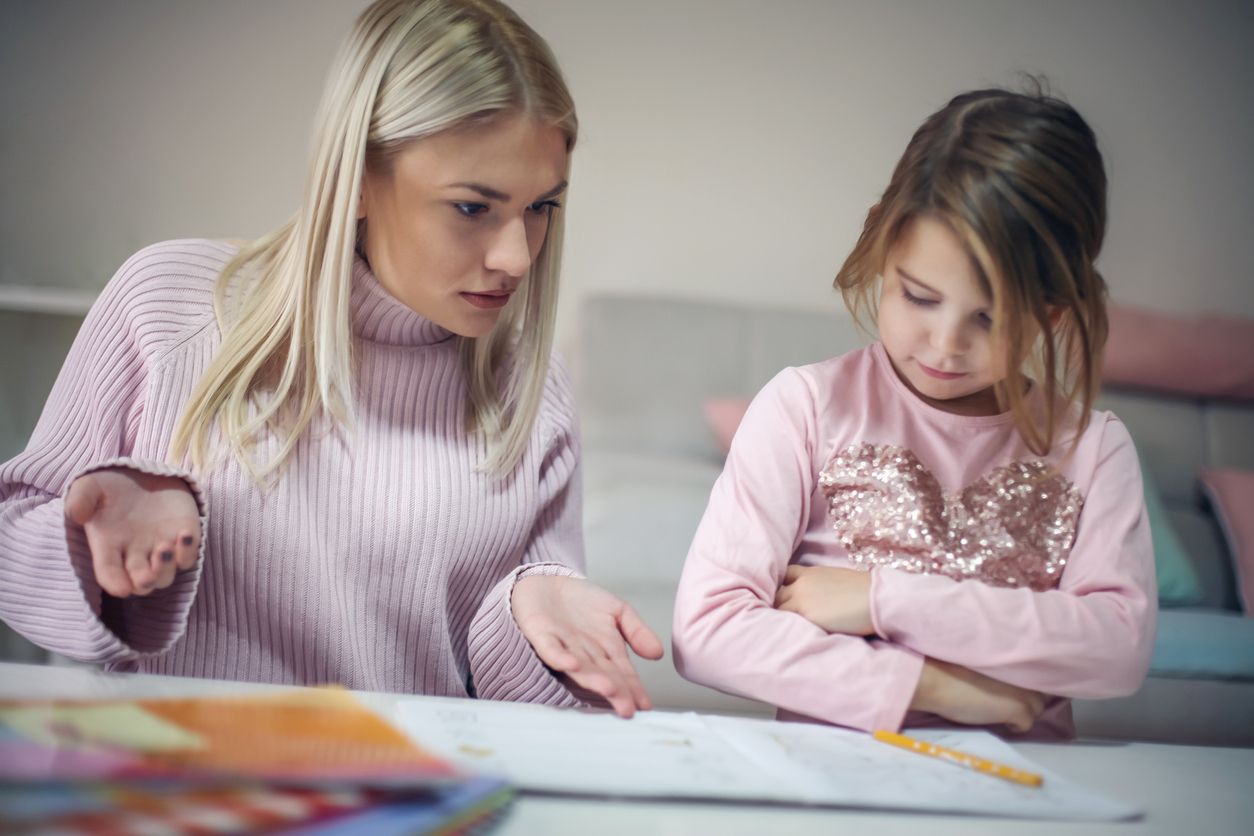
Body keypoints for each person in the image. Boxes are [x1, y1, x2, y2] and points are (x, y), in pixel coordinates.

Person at [0, 0, 662, 718]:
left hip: (413, 801)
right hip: (177, 789)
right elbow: (14, 537)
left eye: (542, 209)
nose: (515, 257)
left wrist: (534, 613)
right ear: (358, 179)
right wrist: (99, 536)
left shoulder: (536, 392)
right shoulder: (170, 303)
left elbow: (525, 704)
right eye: (473, 207)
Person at [672, 86, 1156, 738]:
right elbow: (708, 628)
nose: (945, 343)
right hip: (837, 780)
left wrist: (882, 599)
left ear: (1052, 313)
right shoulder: (805, 407)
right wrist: (937, 689)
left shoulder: (1094, 448)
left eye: (989, 319)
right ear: (882, 244)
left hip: (1028, 789)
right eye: (920, 297)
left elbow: (1118, 649)